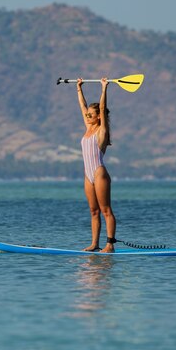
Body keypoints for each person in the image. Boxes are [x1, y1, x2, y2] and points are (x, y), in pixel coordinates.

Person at [77, 77, 116, 253]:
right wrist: (79, 88)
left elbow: (101, 108)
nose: (87, 116)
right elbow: (82, 107)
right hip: (88, 175)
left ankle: (110, 245)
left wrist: (104, 88)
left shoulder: (102, 131)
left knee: (105, 210)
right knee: (93, 211)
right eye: (87, 115)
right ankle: (94, 244)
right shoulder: (88, 127)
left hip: (99, 173)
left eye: (91, 115)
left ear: (98, 116)